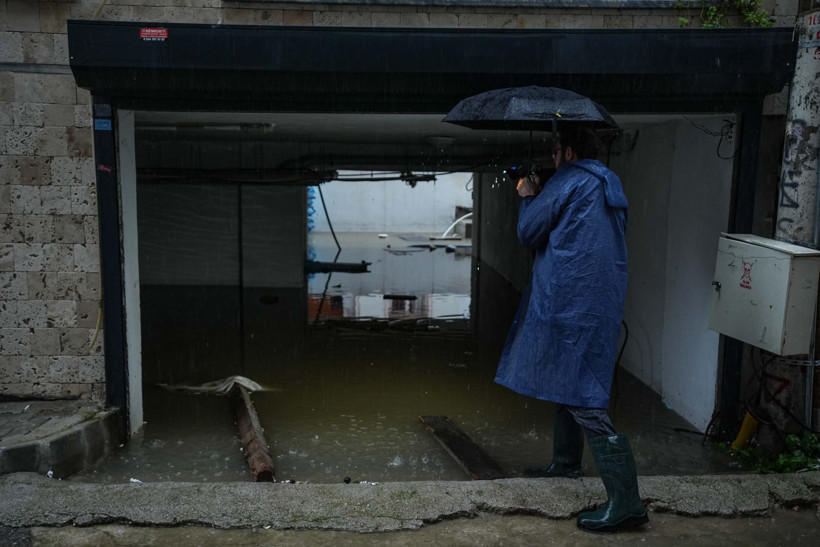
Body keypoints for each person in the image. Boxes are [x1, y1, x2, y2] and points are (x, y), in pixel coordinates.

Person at [494, 125, 648, 533]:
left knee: (583, 396)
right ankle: (565, 464)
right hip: (598, 302)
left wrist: (529, 196)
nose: (553, 155)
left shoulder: (568, 181)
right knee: (570, 381)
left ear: (568, 153)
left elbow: (528, 232)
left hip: (568, 301)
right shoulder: (608, 182)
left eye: (556, 149)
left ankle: (628, 503)